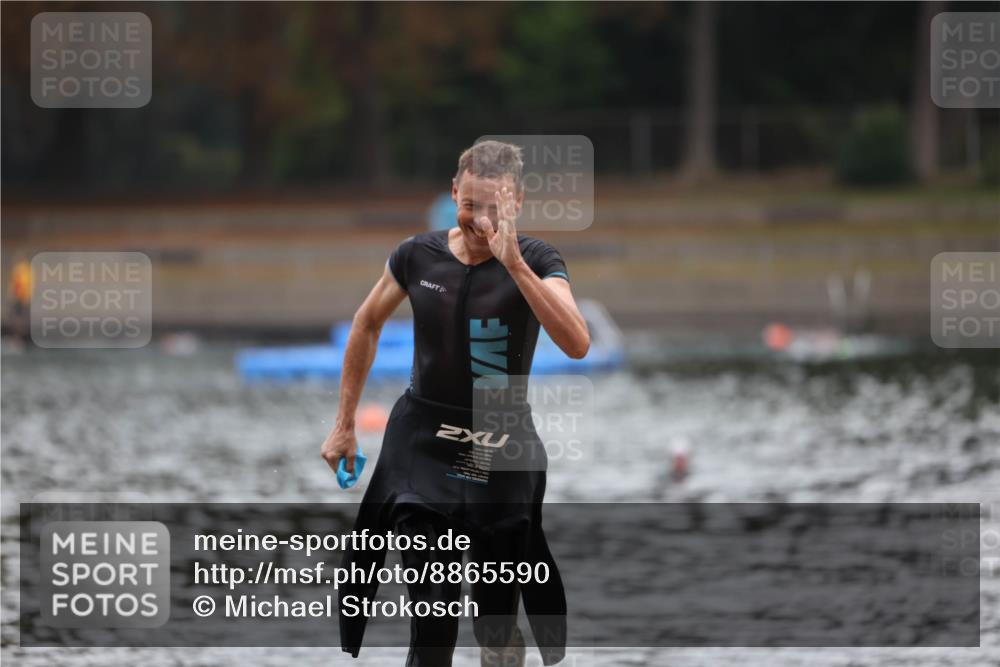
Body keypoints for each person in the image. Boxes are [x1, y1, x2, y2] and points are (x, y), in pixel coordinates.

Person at [321, 140, 590, 666]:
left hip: (500, 445)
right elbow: (366, 322)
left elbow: (577, 343)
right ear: (452, 193)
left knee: (495, 626)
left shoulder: (539, 260)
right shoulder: (416, 255)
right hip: (424, 445)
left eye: (493, 208)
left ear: (517, 203)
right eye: (469, 205)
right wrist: (344, 423)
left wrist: (514, 266)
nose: (480, 221)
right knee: (433, 623)